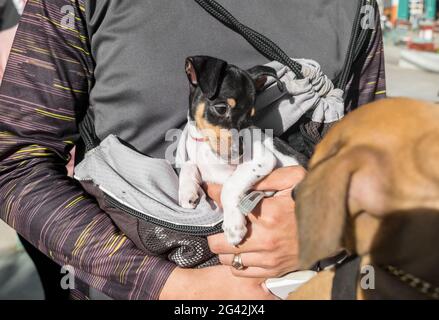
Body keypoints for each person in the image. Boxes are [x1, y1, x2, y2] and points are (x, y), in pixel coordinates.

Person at [0, 0, 386, 300]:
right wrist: (172, 287)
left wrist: (331, 228)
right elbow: (15, 165)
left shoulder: (355, 8)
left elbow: (374, 167)